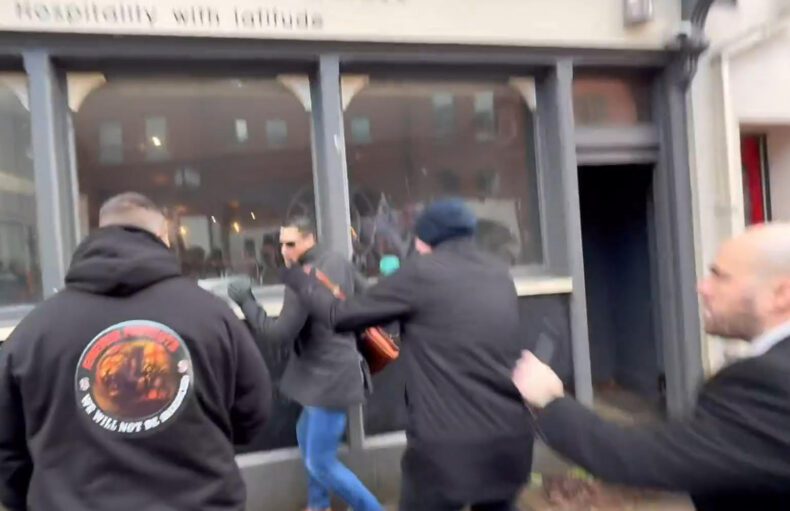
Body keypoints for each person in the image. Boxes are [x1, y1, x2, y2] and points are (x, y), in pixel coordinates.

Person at [0, 192, 272, 511]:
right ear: (164, 237)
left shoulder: (35, 332)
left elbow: (7, 446)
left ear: (98, 234)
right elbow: (252, 412)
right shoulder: (212, 316)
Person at [511, 222, 790, 511]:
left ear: (781, 294)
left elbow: (640, 458)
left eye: (721, 277)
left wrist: (550, 401)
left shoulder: (767, 382)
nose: (703, 287)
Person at [282, 198, 533, 511]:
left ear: (425, 239)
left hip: (445, 450)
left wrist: (300, 280)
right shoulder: (499, 274)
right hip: (509, 444)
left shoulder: (421, 274)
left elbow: (340, 315)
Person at [228, 216, 381, 511]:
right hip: (331, 373)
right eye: (281, 244)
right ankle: (318, 504)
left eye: (291, 244)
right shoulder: (337, 261)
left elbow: (278, 334)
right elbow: (367, 297)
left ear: (310, 239)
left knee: (320, 462)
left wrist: (246, 300)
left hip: (328, 381)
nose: (284, 251)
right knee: (304, 435)